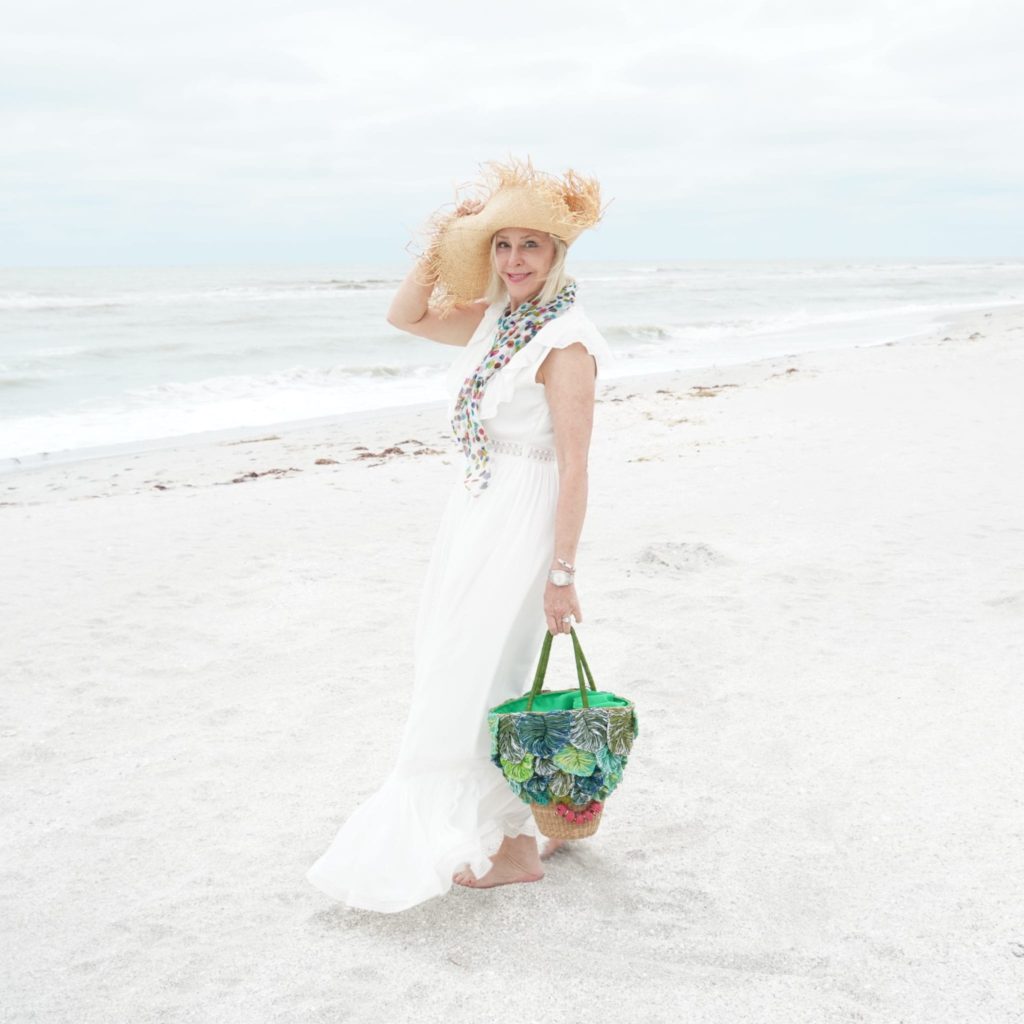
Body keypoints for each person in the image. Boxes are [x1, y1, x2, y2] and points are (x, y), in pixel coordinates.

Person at [305, 156, 613, 912]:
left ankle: (514, 847)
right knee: (463, 663)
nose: (513, 261)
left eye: (530, 247)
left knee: (488, 673)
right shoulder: (500, 319)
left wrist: (563, 574)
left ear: (557, 255)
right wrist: (448, 236)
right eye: (501, 246)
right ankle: (514, 839)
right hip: (477, 508)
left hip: (528, 514)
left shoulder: (565, 343)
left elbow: (575, 468)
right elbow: (404, 315)